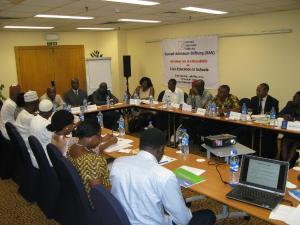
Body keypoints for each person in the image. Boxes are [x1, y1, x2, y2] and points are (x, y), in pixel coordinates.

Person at [110, 128, 216, 225]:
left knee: (174, 201)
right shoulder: (164, 175)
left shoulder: (118, 163)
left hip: (123, 220)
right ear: (161, 149)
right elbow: (183, 221)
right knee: (208, 215)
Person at [67, 120, 117, 205]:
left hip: (81, 190)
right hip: (96, 199)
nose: (100, 138)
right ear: (89, 137)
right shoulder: (92, 161)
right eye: (99, 136)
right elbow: (98, 190)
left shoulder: (72, 147)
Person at [29, 99, 53, 167]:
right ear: (50, 111)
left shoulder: (33, 119)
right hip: (46, 158)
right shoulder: (47, 124)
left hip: (35, 156)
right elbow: (54, 142)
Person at [278, 91, 300, 162]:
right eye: (293, 97)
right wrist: (284, 116)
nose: (293, 98)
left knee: (295, 145)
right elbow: (279, 114)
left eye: (296, 98)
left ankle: (286, 164)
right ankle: (286, 165)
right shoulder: (290, 104)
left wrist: (293, 119)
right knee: (285, 142)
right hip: (290, 134)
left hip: (299, 136)